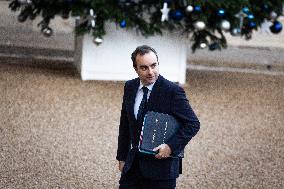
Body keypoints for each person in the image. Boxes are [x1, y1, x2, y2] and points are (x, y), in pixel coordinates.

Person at [116, 45, 200, 189]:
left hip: (162, 171)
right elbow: (125, 124)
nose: (151, 72)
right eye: (144, 68)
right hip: (133, 166)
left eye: (154, 65)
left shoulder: (173, 91)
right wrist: (122, 157)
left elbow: (193, 124)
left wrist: (170, 146)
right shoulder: (130, 87)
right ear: (135, 69)